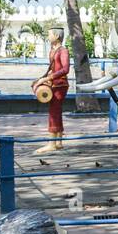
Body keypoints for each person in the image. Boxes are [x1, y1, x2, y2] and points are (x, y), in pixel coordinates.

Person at [30, 26, 69, 155]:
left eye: (50, 34)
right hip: (54, 83)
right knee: (56, 111)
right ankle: (58, 142)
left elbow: (65, 69)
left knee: (54, 112)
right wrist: (44, 79)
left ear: (57, 36)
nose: (48, 37)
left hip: (60, 85)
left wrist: (48, 78)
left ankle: (52, 144)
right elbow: (54, 68)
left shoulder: (63, 51)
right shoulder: (53, 51)